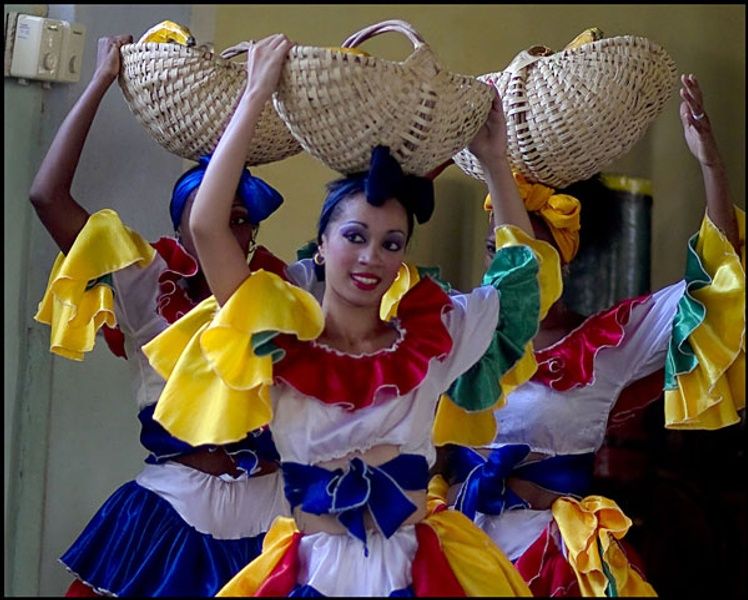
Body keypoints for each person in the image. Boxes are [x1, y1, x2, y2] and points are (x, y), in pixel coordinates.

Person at [141, 33, 564, 596]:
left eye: (392, 244)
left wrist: (494, 164)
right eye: (355, 236)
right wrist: (255, 95)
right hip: (316, 572)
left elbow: (519, 284)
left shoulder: (433, 337)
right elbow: (207, 227)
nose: (371, 258)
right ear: (320, 244)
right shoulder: (278, 333)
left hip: (419, 570)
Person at [30, 34, 319, 597]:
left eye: (242, 219)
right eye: (213, 212)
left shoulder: (288, 287)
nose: (230, 229)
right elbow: (47, 197)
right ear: (185, 220)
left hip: (275, 511)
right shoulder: (144, 279)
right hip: (170, 505)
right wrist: (100, 83)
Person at [435, 73, 745, 597]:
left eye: (524, 249)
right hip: (453, 547)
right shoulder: (455, 324)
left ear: (559, 256)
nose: (505, 263)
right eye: (495, 249)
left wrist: (711, 167)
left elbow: (718, 284)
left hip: (560, 559)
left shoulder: (605, 345)